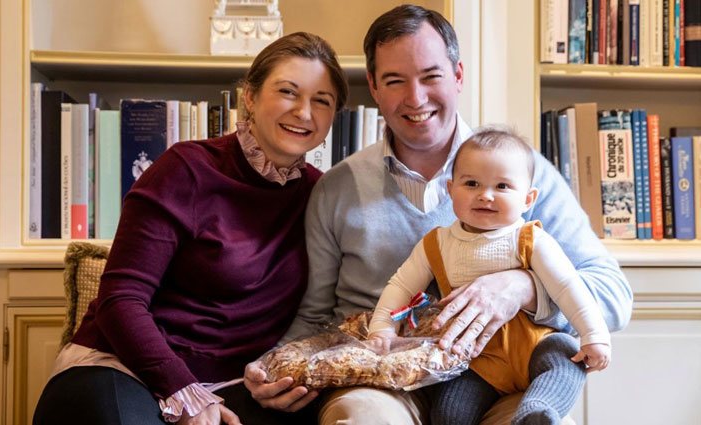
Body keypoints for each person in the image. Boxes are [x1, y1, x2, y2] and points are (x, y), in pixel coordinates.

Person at [245, 4, 632, 425]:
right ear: (373, 86)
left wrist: (524, 288)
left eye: (431, 76)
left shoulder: (520, 176)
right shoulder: (336, 189)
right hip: (378, 383)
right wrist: (271, 369)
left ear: (458, 75)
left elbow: (613, 293)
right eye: (395, 81)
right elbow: (314, 315)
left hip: (500, 381)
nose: (416, 99)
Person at [32, 31, 349, 425]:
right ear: (248, 97)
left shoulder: (324, 195)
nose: (304, 112)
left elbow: (331, 312)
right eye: (288, 91)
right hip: (125, 367)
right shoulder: (187, 168)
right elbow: (121, 299)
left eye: (322, 101)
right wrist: (183, 391)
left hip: (238, 384)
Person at [368, 126, 611, 425]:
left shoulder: (531, 240)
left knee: (565, 359)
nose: (485, 195)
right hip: (474, 360)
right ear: (450, 189)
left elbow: (568, 288)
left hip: (536, 347)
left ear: (527, 199)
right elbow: (401, 286)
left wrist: (594, 335)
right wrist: (382, 326)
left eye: (502, 186)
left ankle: (536, 411)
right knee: (449, 414)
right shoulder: (436, 244)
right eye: (471, 183)